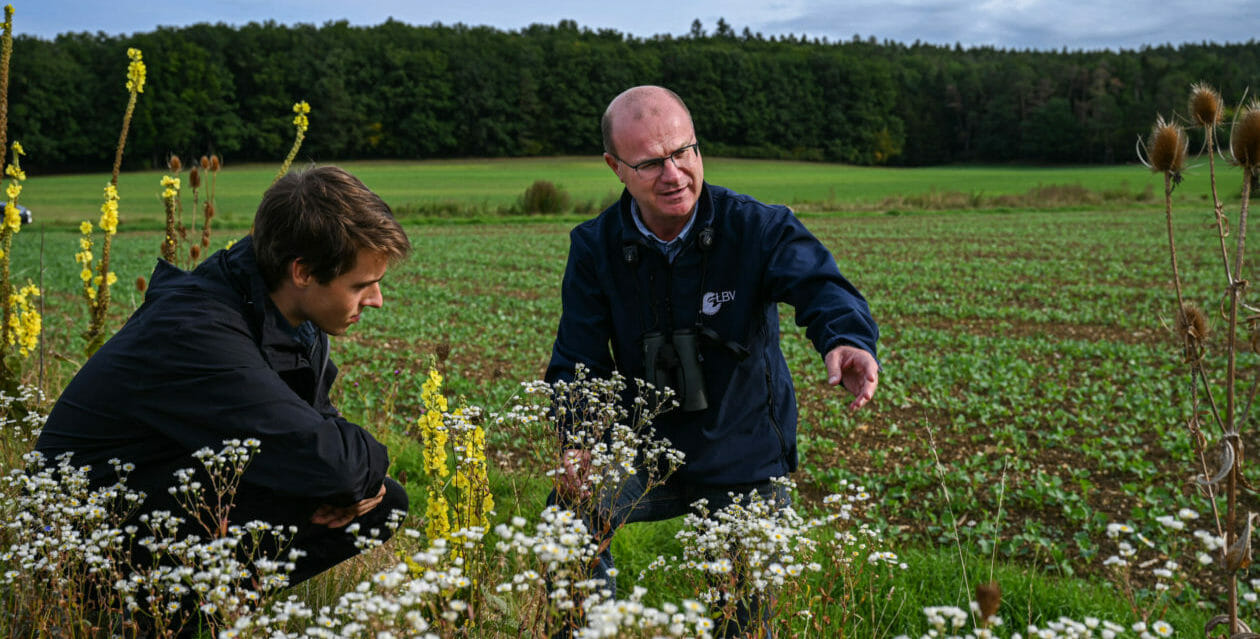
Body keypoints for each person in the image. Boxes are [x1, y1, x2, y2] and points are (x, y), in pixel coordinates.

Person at [545, 85, 880, 633]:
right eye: (651, 162)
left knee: (743, 619)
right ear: (615, 167)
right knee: (567, 518)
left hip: (742, 445)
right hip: (645, 446)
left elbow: (821, 285)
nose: (674, 174)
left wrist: (846, 338)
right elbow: (577, 357)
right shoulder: (595, 247)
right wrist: (580, 440)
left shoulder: (756, 227)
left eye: (684, 152)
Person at [35, 166, 412, 591]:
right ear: (303, 272)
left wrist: (355, 477)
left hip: (150, 494)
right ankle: (161, 619)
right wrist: (351, 474)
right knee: (335, 482)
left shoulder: (285, 315)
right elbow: (331, 462)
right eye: (362, 285)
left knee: (382, 503)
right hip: (73, 538)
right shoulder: (199, 331)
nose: (376, 300)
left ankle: (209, 616)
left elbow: (318, 433)